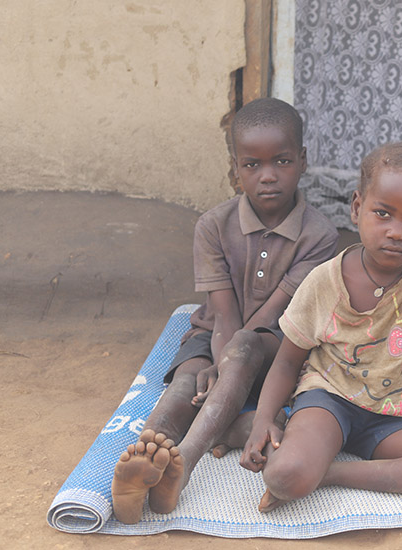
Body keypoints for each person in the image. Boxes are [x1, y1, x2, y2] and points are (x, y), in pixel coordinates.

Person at [110, 98, 339, 524]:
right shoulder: (213, 226)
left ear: (303, 160)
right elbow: (222, 313)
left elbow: (274, 314)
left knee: (247, 347)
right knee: (183, 386)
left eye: (282, 161)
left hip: (276, 345)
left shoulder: (320, 236)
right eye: (252, 165)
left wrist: (230, 359)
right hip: (215, 332)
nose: (267, 176)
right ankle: (143, 461)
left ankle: (184, 465)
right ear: (235, 169)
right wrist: (217, 362)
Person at [239, 142, 402, 511]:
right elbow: (288, 362)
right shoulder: (324, 281)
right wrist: (262, 419)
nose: (396, 231)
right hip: (328, 401)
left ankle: (328, 473)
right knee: (284, 476)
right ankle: (281, 441)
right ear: (357, 208)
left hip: (397, 417)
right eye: (383, 214)